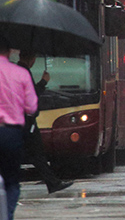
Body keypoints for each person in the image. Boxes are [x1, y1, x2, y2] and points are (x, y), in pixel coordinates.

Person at [15, 52, 72, 193]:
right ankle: (53, 183)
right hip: (27, 122)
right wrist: (44, 81)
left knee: (33, 155)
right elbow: (31, 95)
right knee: (37, 154)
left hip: (22, 120)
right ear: (31, 59)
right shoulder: (24, 71)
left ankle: (52, 182)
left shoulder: (18, 70)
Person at [0, 37, 37, 218]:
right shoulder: (20, 73)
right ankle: (7, 215)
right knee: (12, 182)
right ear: (8, 52)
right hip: (11, 134)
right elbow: (32, 107)